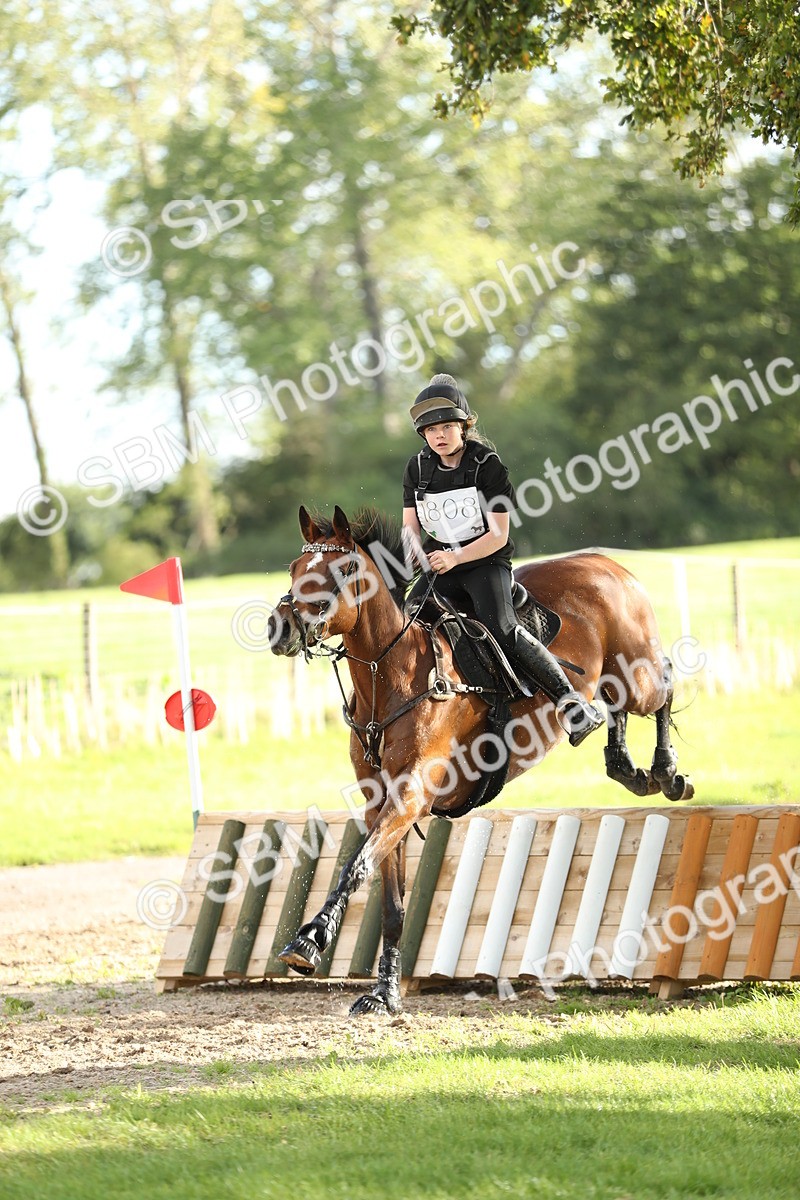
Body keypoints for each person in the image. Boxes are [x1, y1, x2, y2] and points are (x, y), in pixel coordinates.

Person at [401, 372, 604, 747]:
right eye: (431, 430)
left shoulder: (486, 465)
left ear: (464, 427)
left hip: (485, 562)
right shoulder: (416, 468)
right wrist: (413, 554)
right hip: (441, 563)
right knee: (406, 619)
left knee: (501, 626)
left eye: (447, 427)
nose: (439, 436)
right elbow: (410, 527)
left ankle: (573, 706)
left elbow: (498, 535)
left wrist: (455, 557)